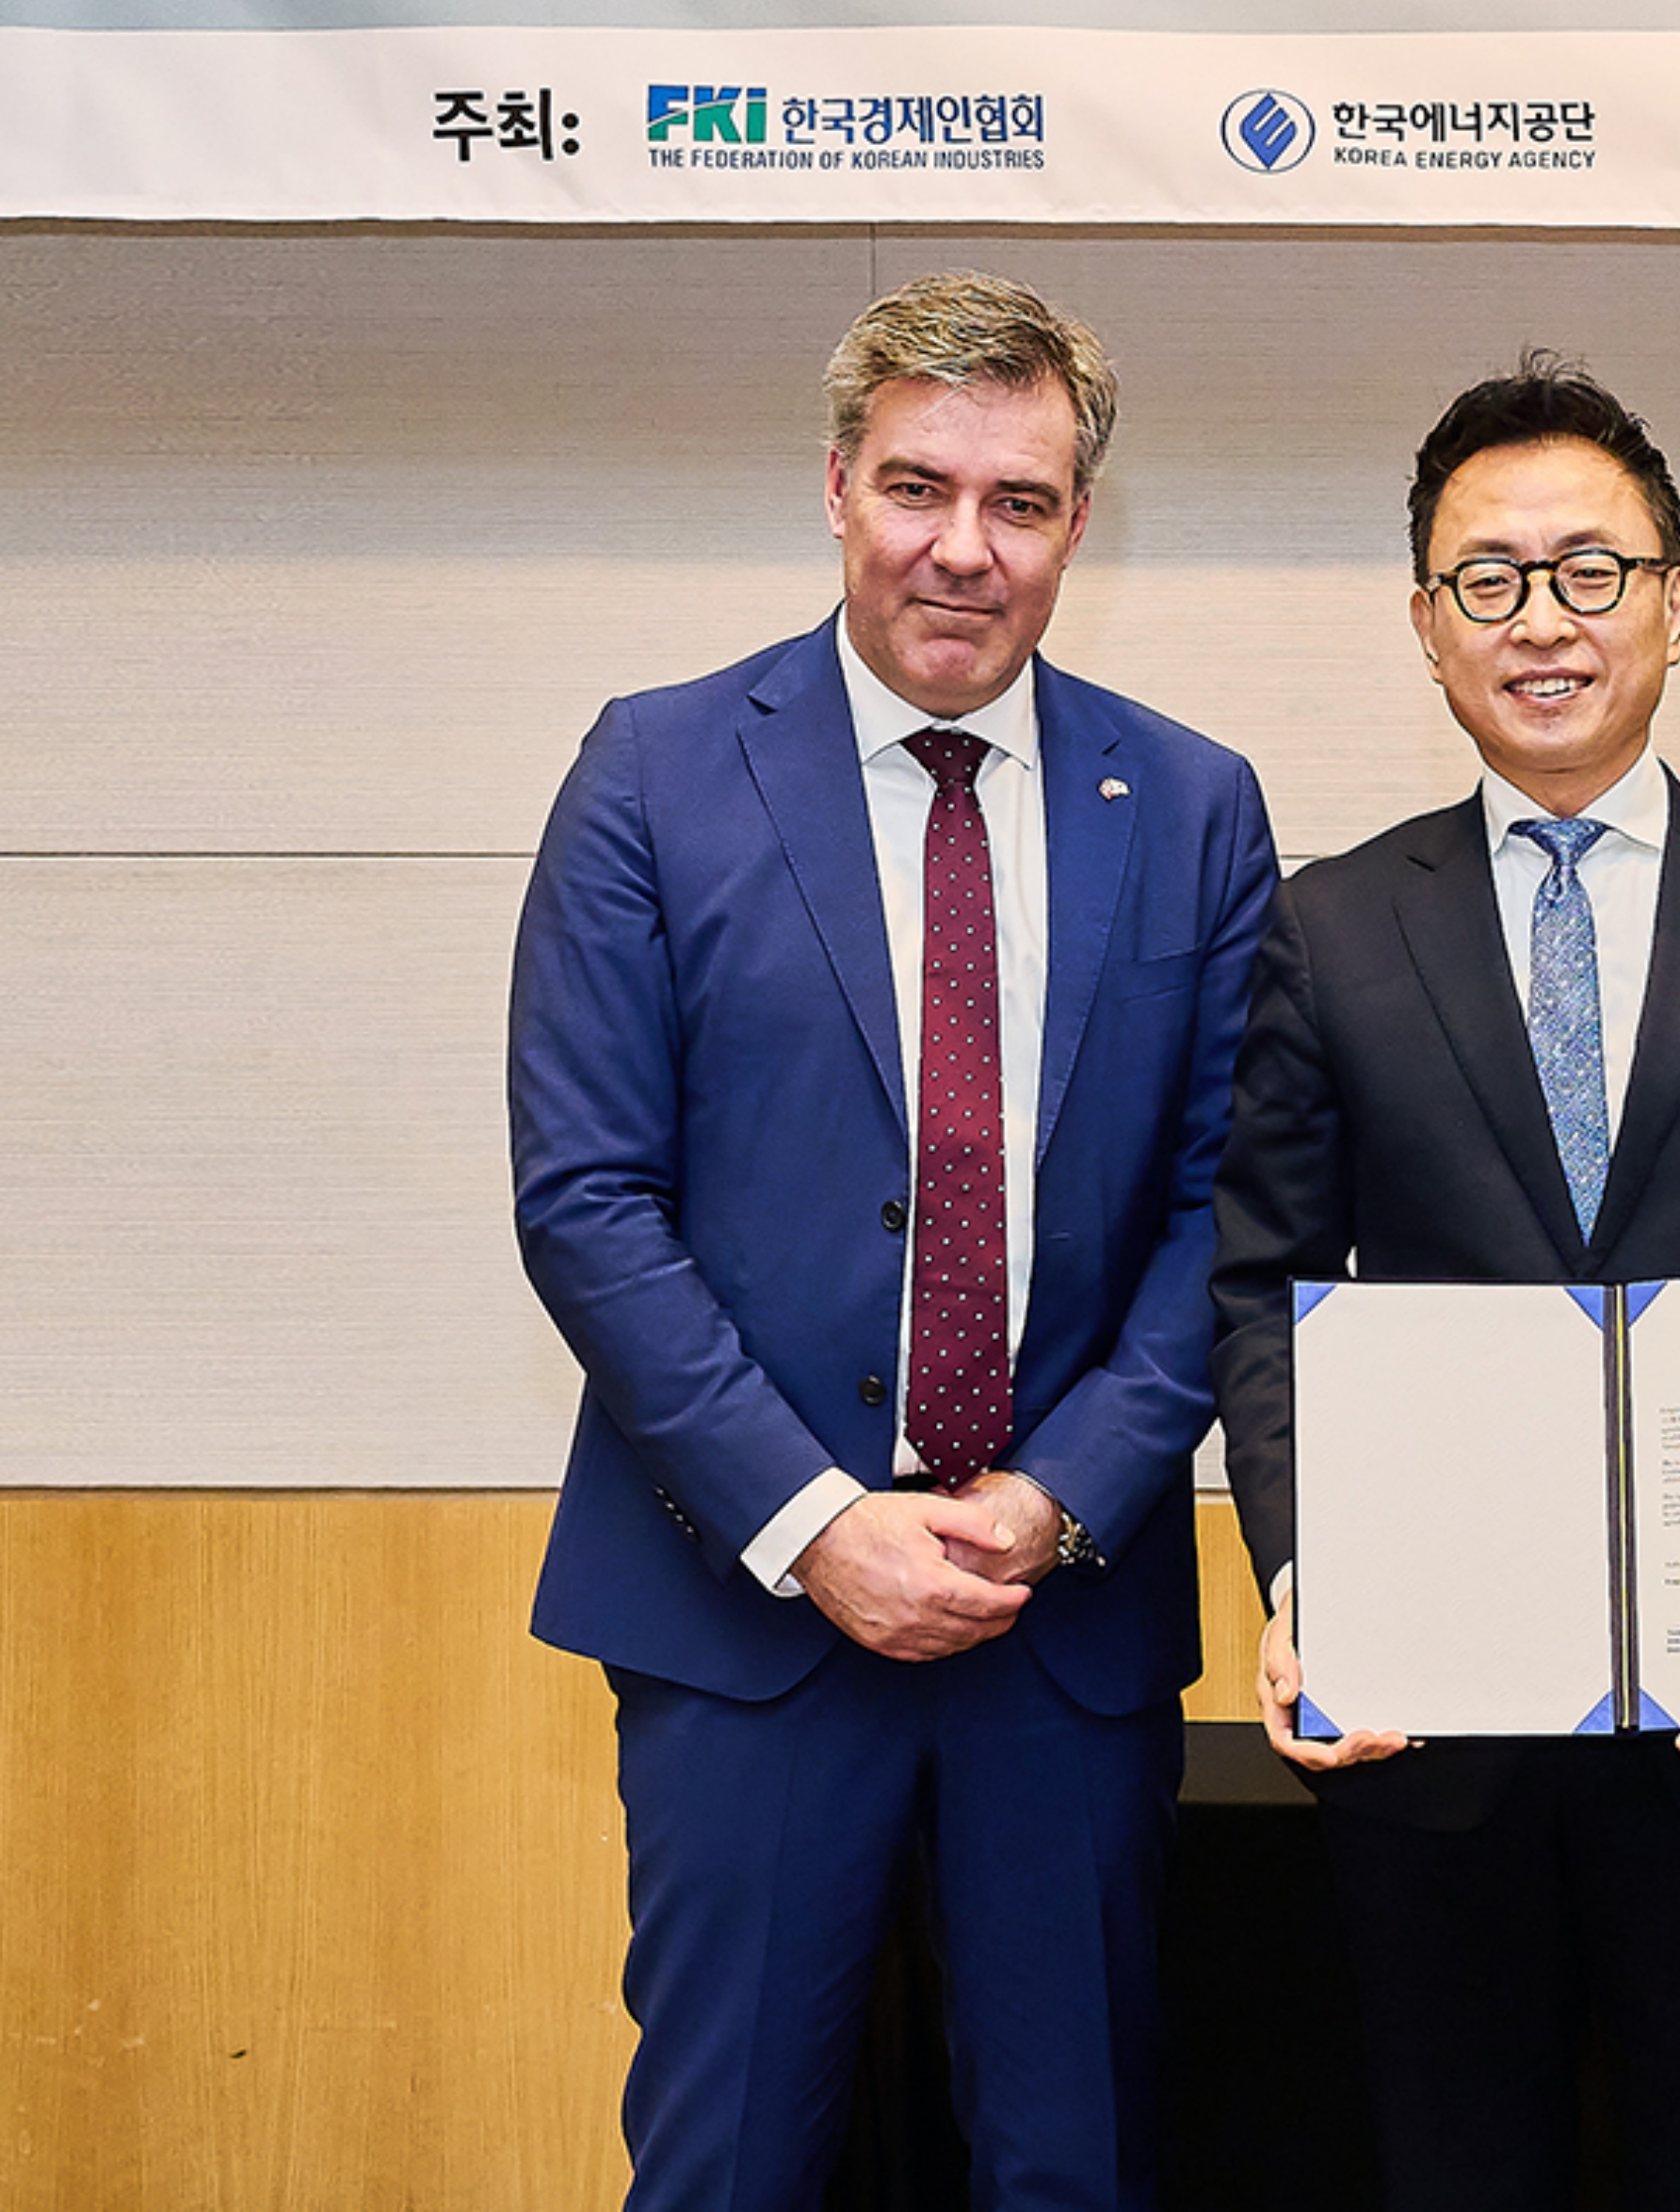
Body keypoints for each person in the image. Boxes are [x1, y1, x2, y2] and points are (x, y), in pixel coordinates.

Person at [509, 272, 1279, 2210]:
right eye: (919, 486)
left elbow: (1230, 1207)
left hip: (1056, 1613)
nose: (963, 546)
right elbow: (587, 1196)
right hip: (746, 1604)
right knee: (730, 2164)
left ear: (1078, 525)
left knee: (1074, 2162)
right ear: (837, 486)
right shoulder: (655, 771)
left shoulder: (1192, 805)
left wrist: (1061, 1495)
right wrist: (816, 1521)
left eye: (1020, 501)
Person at [1207, 352, 1680, 2212]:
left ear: (1674, 603)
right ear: (1426, 624)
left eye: (1589, 571)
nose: (1540, 620)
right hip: (1432, 1718)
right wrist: (1311, 1579)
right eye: (1488, 578)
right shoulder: (1331, 924)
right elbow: (1265, 1282)